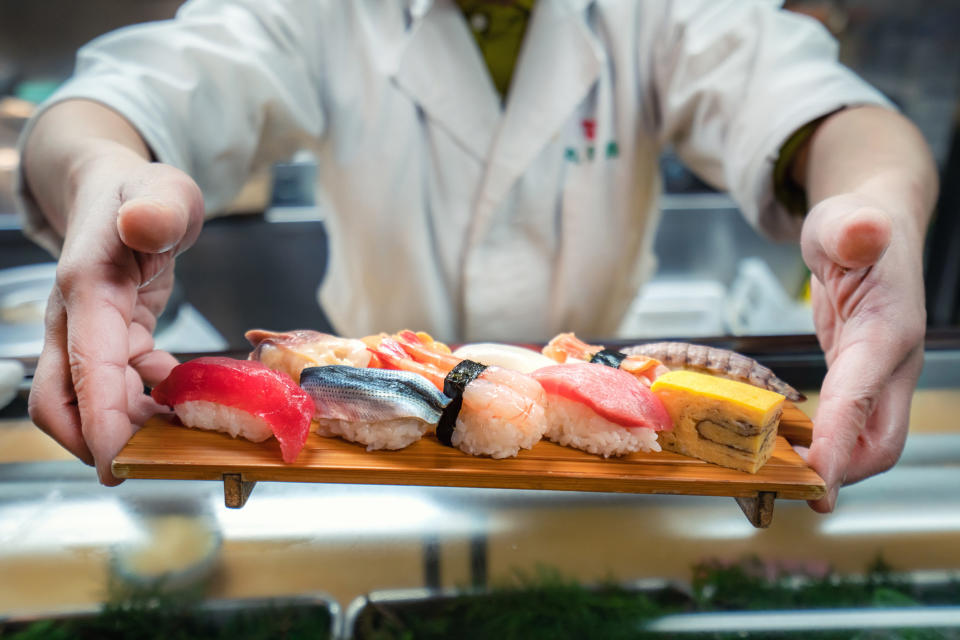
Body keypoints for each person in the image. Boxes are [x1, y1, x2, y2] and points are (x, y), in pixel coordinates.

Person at [17, 0, 937, 513]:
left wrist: (876, 204)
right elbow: (129, 93)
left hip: (611, 468)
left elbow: (823, 106)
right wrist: (103, 170)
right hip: (374, 450)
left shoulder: (659, 15)